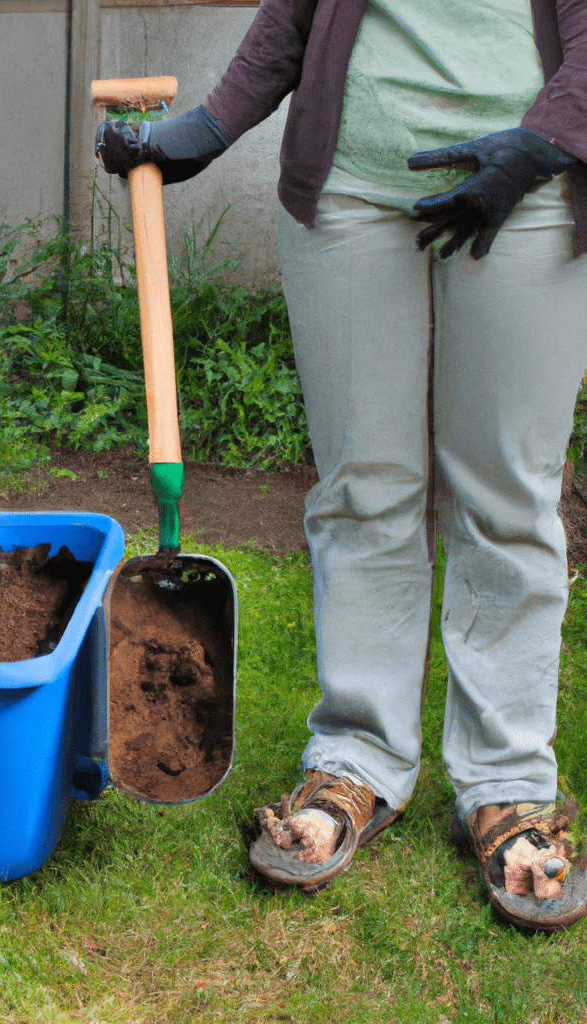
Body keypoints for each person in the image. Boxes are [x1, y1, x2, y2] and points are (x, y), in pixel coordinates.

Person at [95, 0, 587, 930]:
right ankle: (360, 757)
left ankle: (507, 776)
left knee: (509, 496)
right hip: (354, 192)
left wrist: (545, 143)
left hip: (530, 187)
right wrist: (209, 124)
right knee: (363, 488)